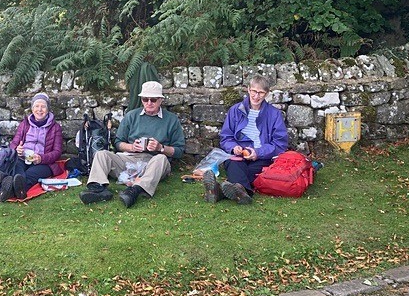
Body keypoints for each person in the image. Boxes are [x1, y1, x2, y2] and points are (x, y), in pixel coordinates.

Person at [79, 81, 185, 208]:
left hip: (153, 163)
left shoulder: (171, 119)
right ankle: (97, 188)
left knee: (161, 159)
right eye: (145, 99)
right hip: (129, 158)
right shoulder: (131, 116)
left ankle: (135, 190)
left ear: (160, 100)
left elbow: (179, 151)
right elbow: (118, 143)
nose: (149, 103)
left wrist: (160, 148)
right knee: (102, 154)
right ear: (141, 100)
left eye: (153, 99)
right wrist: (131, 147)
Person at [204, 75, 288, 204]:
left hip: (262, 158)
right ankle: (242, 193)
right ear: (248, 89)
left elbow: (279, 144)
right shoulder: (235, 110)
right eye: (254, 91)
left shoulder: (274, 114)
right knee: (233, 162)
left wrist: (258, 153)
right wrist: (233, 147)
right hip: (238, 156)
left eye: (261, 93)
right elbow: (226, 137)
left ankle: (220, 191)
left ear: (267, 94)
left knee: (248, 171)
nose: (256, 96)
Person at [0, 93, 63, 202]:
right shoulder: (24, 124)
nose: (39, 109)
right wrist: (17, 149)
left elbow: (57, 152)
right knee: (18, 173)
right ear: (32, 109)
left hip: (44, 163)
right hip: (22, 158)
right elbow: (13, 144)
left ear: (48, 110)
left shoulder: (55, 127)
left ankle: (7, 192)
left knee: (30, 175)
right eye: (36, 106)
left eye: (43, 106)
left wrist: (41, 158)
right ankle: (19, 191)